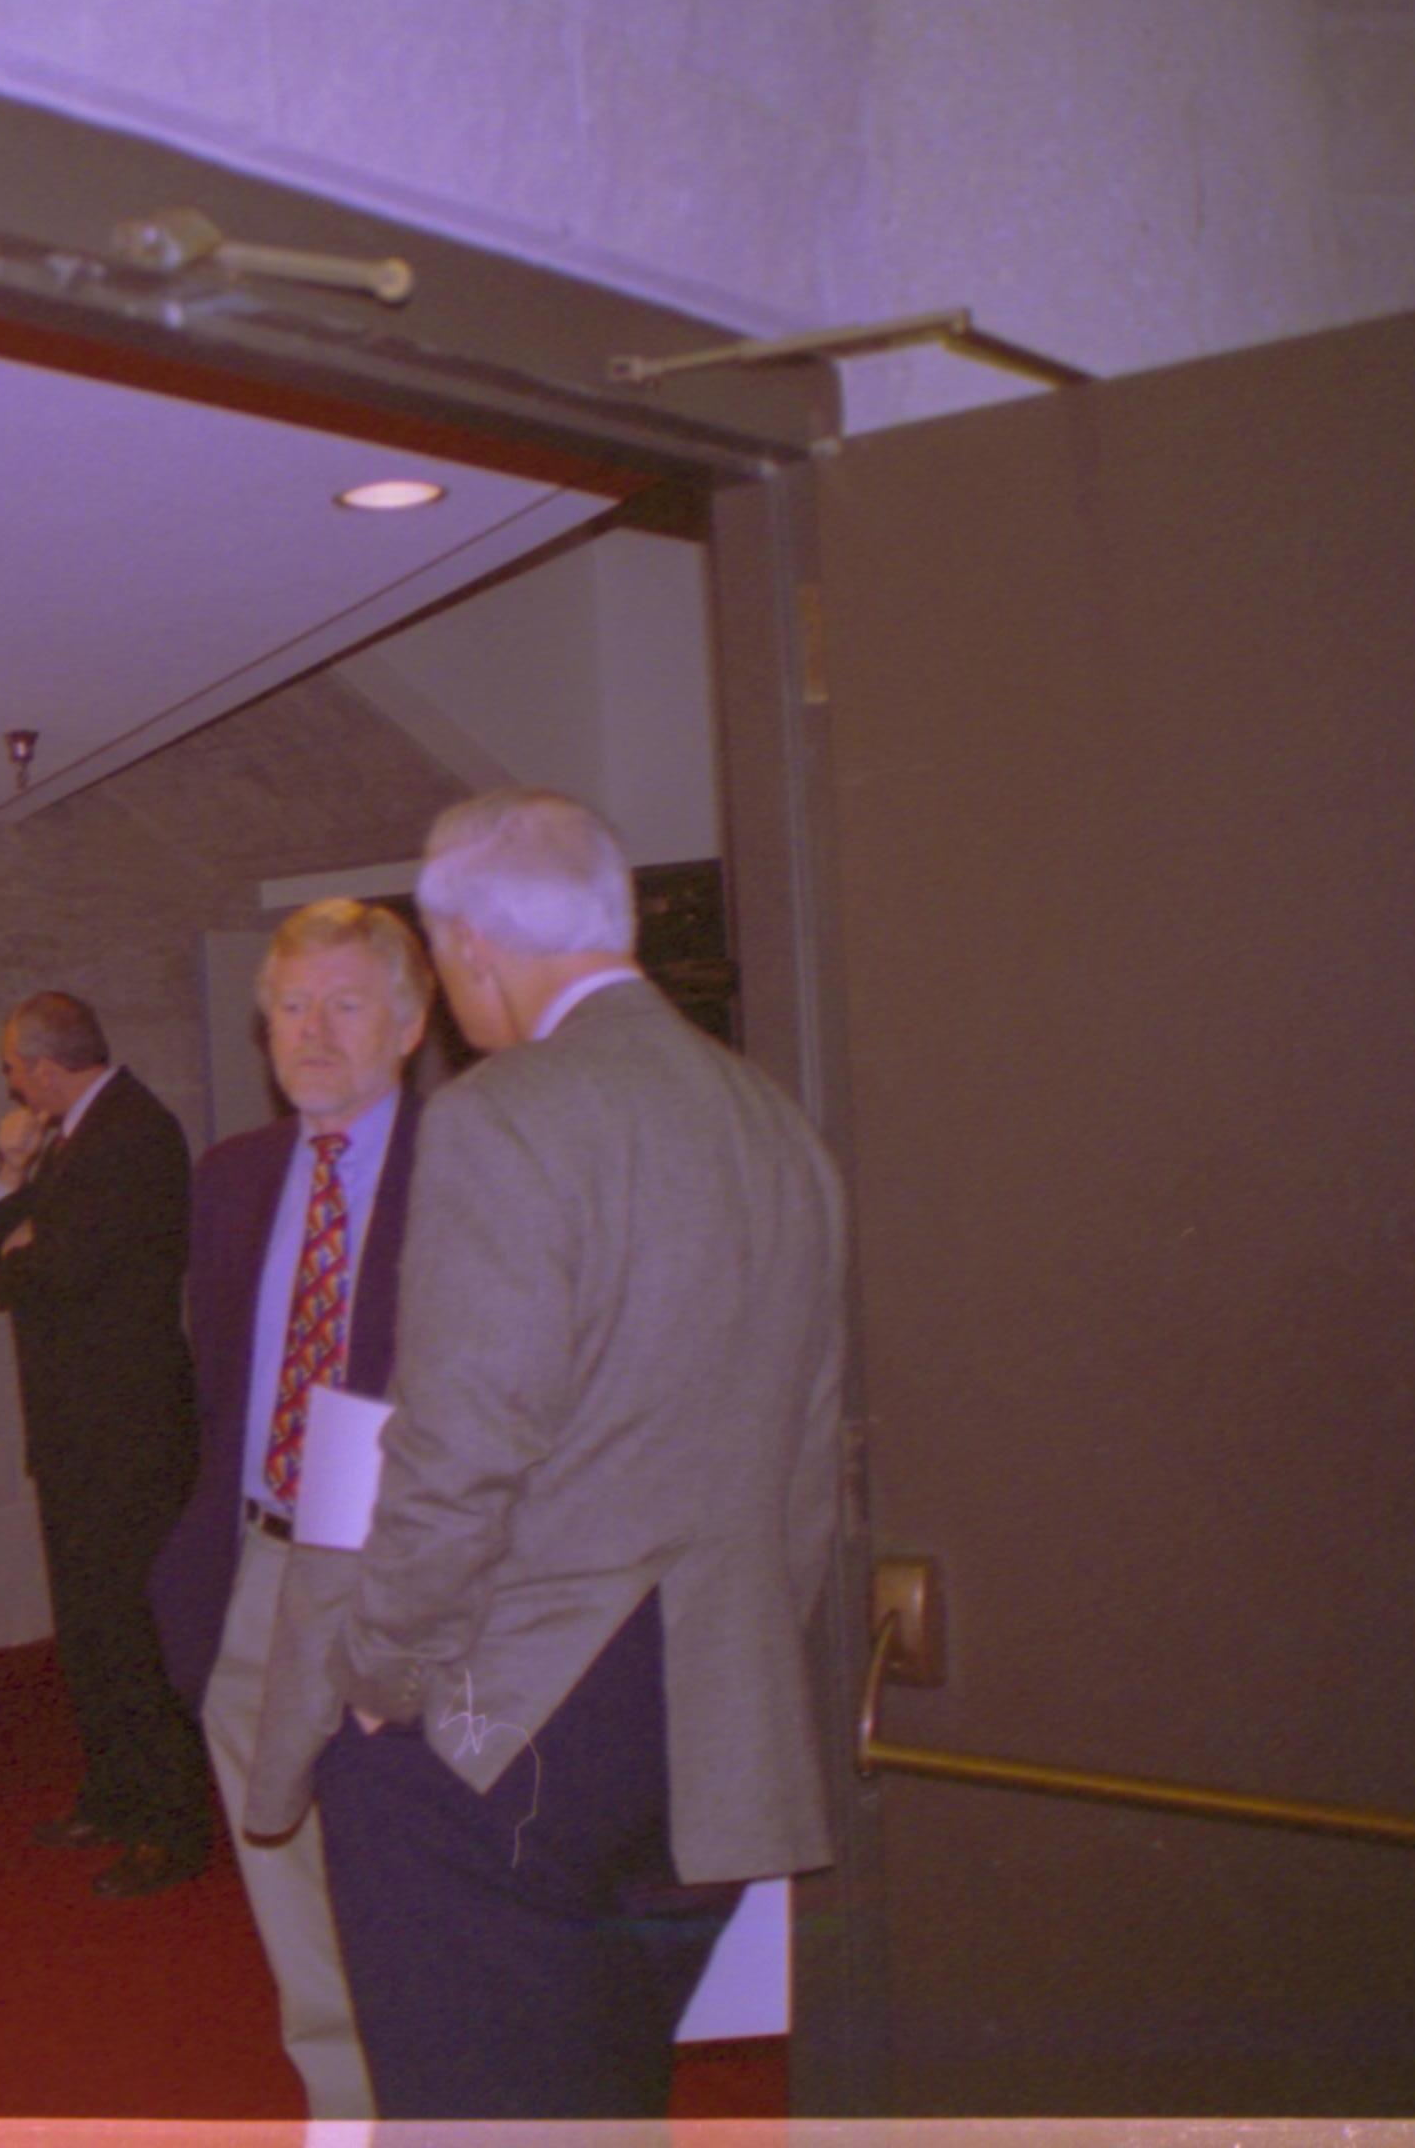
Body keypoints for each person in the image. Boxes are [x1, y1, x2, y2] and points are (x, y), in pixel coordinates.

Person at [289, 791, 847, 2119]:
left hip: (520, 1718)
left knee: (475, 2106)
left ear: (472, 946)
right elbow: (814, 1458)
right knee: (604, 2094)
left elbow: (460, 1446)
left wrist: (382, 1670)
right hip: (711, 1711)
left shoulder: (509, 1110)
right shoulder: (778, 1126)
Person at [146, 900, 432, 2119]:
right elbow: (215, 1380)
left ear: (411, 1023)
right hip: (259, 1558)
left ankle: (432, 2087)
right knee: (276, 1848)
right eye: (293, 1007)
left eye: (346, 1002)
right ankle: (342, 2095)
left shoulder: (472, 1165)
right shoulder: (233, 1178)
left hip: (402, 1578)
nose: (313, 1031)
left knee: (406, 1858)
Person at [0, 991, 213, 1897]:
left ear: (44, 1067)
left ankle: (170, 1822)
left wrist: (30, 1245)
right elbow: (24, 1262)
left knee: (138, 1630)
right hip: (78, 1428)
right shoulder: (76, 1132)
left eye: (11, 1066)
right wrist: (12, 1187)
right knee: (90, 1626)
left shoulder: (133, 1133)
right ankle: (114, 1794)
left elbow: (52, 1274)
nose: (9, 1081)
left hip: (128, 1430)